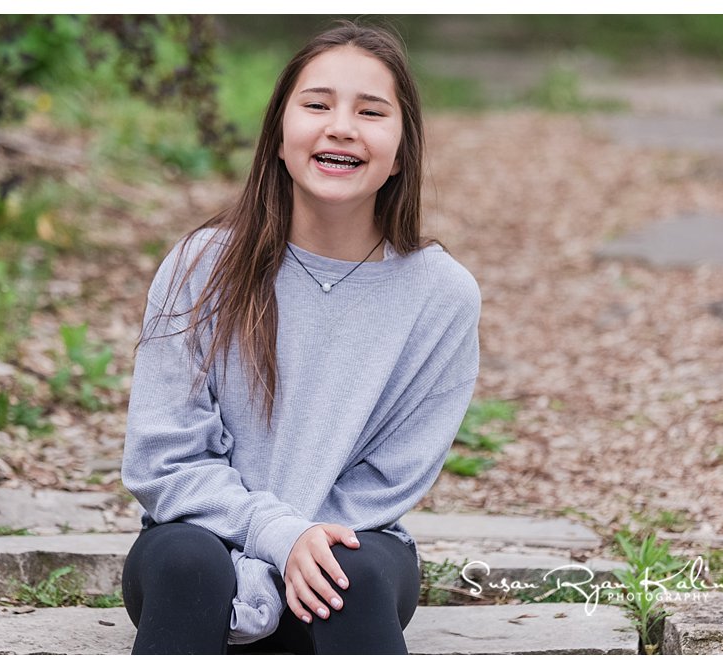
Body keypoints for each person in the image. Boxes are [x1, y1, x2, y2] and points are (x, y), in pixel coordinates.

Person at [120, 20, 480, 655]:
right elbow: (162, 458)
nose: (341, 126)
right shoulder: (201, 266)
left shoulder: (440, 296)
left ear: (401, 151)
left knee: (355, 576)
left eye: (371, 112)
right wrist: (272, 536)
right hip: (205, 542)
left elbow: (389, 478)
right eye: (316, 105)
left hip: (350, 545)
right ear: (279, 138)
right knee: (186, 565)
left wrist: (302, 548)